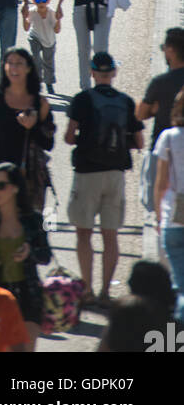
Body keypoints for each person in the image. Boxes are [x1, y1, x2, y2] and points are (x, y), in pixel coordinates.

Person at [65, 52, 144, 309]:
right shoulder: (125, 101)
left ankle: (86, 290)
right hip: (115, 174)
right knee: (110, 235)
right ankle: (104, 293)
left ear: (92, 73)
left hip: (87, 172)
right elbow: (140, 141)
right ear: (113, 73)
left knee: (83, 233)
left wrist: (84, 142)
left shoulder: (82, 100)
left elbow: (68, 136)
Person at [0, 162, 51, 349]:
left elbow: (46, 256)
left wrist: (29, 252)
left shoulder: (34, 219)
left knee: (25, 347)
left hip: (28, 293)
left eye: (1, 186)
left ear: (15, 188)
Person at [0, 49, 54, 211]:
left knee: (27, 229)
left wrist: (33, 127)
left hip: (29, 178)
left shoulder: (39, 103)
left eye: (19, 63)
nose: (14, 68)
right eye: (10, 63)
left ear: (29, 68)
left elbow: (48, 143)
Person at [136, 27, 184, 214]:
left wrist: (155, 108)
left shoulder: (160, 82)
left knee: (159, 209)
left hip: (161, 149)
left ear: (171, 50)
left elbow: (140, 113)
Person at [153, 88, 184, 324]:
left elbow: (161, 182)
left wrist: (157, 215)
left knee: (179, 283)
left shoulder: (169, 137)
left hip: (175, 212)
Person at [23, 0, 60, 95]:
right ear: (34, 1)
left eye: (44, 0)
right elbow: (26, 28)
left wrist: (59, 20)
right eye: (38, 0)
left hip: (49, 40)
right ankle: (37, 81)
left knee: (48, 62)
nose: (41, 3)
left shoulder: (52, 13)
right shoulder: (31, 12)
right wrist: (24, 17)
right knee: (36, 59)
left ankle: (49, 82)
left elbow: (57, 30)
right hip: (35, 37)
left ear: (48, 1)